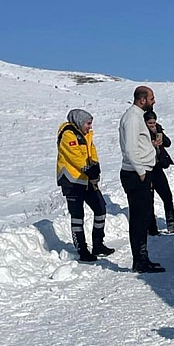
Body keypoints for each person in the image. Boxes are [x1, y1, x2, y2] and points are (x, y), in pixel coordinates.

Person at [56, 109, 115, 262]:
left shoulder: (87, 134)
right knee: (77, 216)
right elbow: (74, 155)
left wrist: (95, 165)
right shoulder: (68, 134)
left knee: (100, 208)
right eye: (88, 124)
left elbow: (92, 151)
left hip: (87, 179)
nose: (90, 127)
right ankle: (82, 249)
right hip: (72, 181)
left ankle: (98, 244)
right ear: (80, 122)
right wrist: (88, 169)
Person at [118, 86, 165, 273]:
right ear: (142, 100)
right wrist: (141, 172)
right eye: (152, 98)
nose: (154, 101)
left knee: (144, 217)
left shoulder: (138, 117)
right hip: (136, 174)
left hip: (143, 171)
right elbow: (130, 148)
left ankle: (143, 258)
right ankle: (139, 261)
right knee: (138, 219)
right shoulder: (131, 118)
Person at [143, 110, 174, 235]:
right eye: (150, 123)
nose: (152, 125)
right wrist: (150, 144)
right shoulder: (142, 133)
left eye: (154, 122)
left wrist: (160, 136)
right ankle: (151, 228)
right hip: (148, 167)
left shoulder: (157, 129)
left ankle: (171, 222)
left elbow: (168, 143)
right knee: (149, 198)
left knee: (167, 195)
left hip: (158, 167)